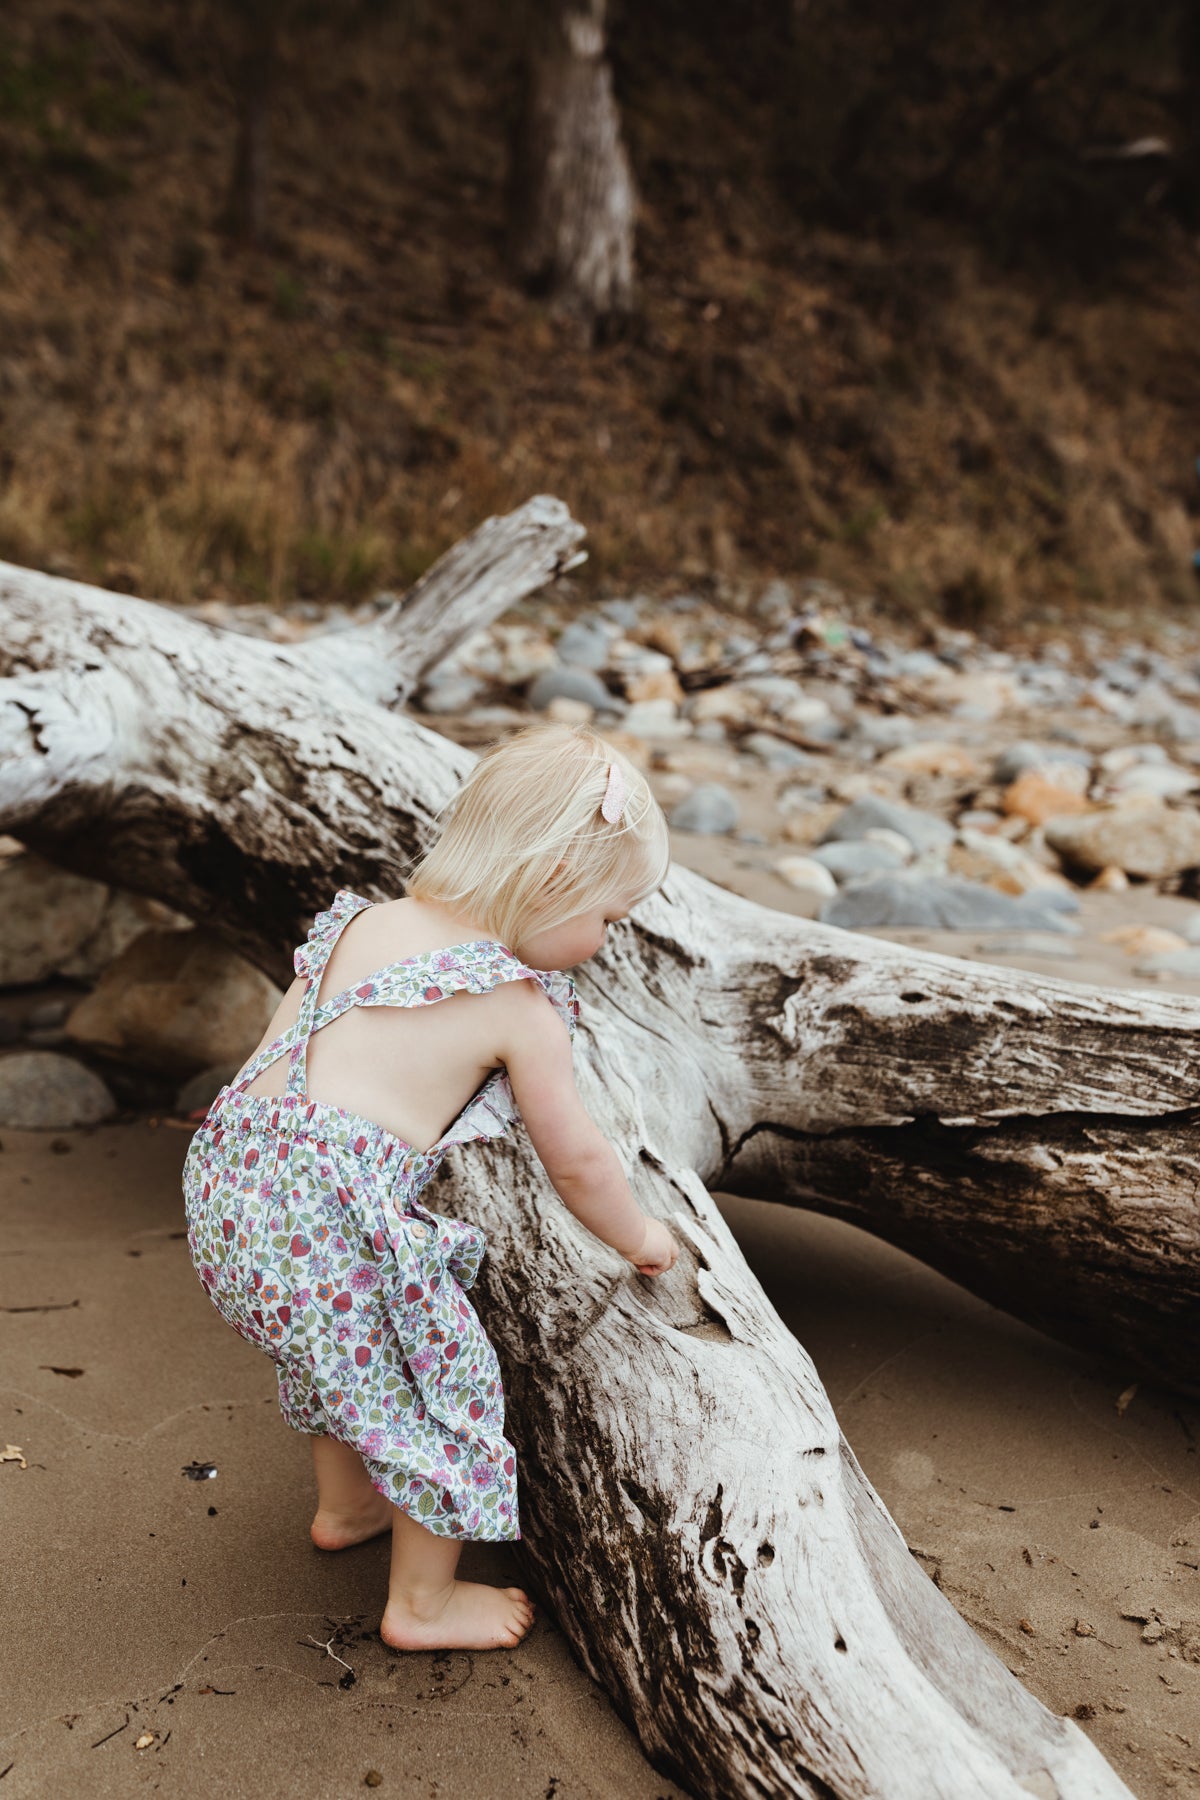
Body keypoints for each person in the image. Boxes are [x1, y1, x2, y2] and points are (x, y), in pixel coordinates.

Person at [182, 720, 677, 1654]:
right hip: (323, 1217)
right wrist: (640, 1236)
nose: (608, 942)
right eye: (610, 918)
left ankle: (347, 1508)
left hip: (228, 1184)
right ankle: (422, 1603)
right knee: (436, 1379)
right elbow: (578, 1161)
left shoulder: (359, 923)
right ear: (553, 881)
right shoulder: (516, 1004)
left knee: (338, 1350)